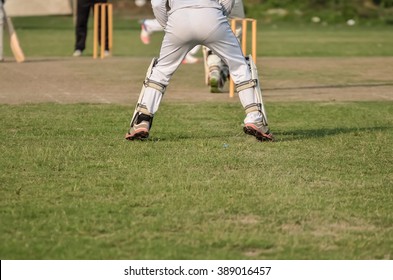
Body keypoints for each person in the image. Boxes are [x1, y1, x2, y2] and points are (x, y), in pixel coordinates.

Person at [125, 0, 274, 142]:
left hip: (178, 20)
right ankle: (254, 117)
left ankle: (143, 120)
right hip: (212, 16)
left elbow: (157, 3)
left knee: (161, 71)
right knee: (240, 66)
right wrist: (219, 15)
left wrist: (167, 25)